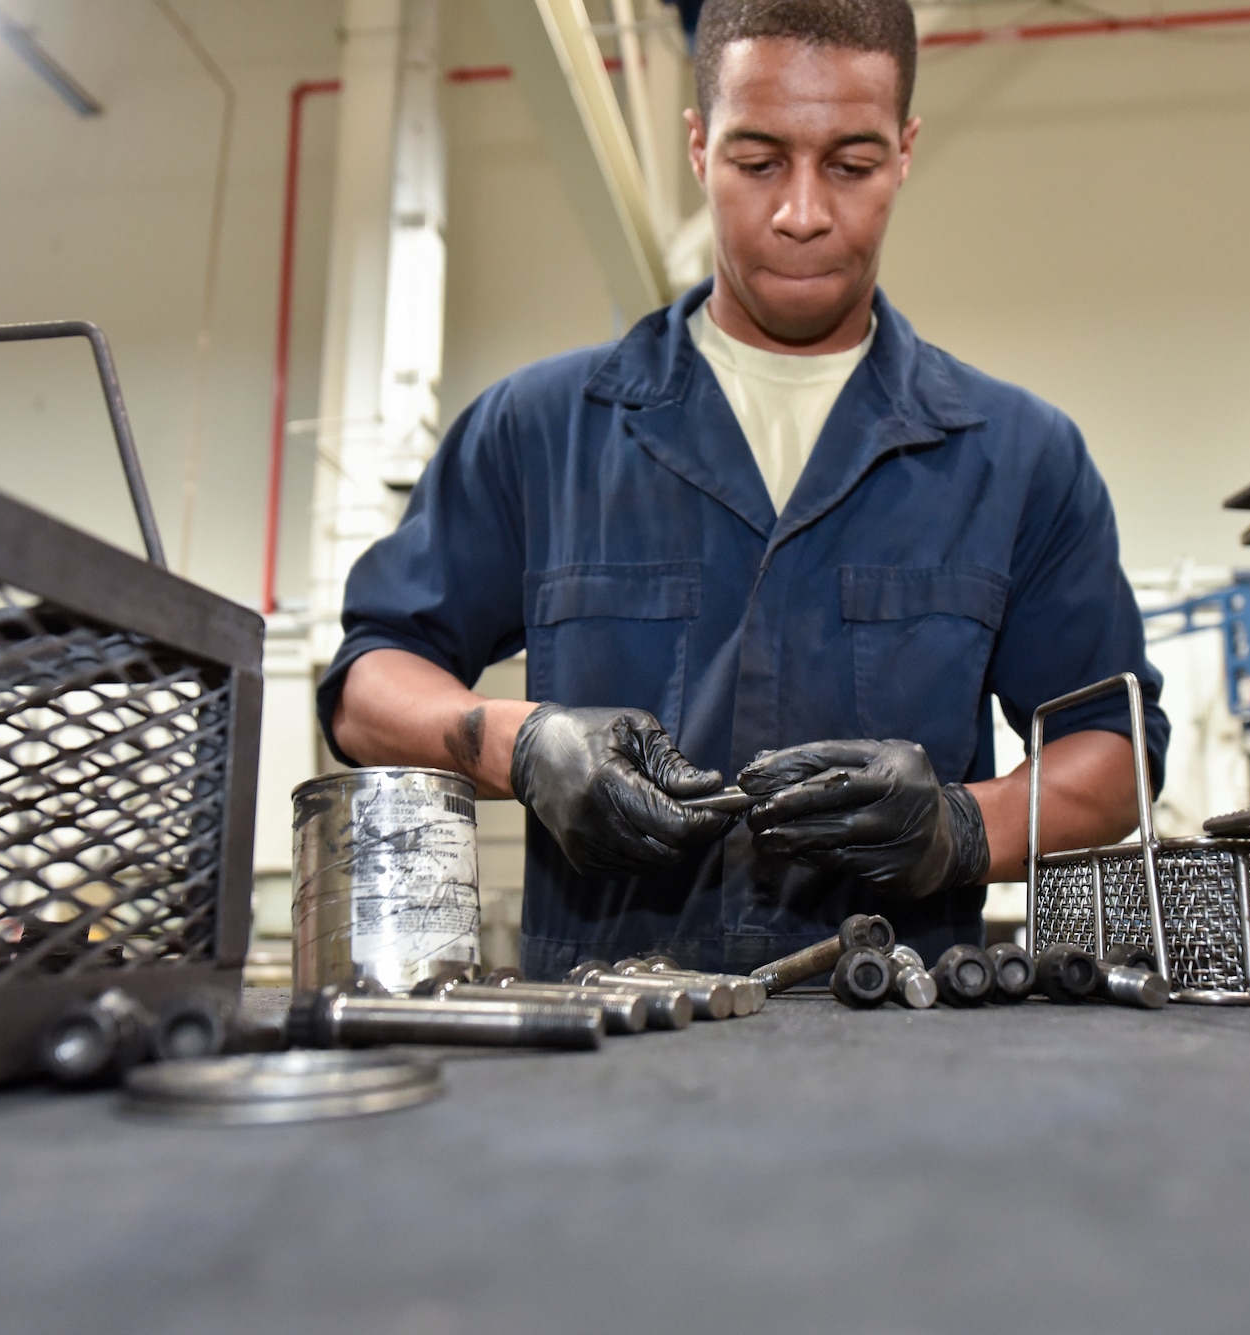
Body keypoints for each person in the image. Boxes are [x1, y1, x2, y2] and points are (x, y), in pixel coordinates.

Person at [320, 0, 1167, 979]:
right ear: (696, 145)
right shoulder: (538, 431)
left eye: (848, 165)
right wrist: (520, 742)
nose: (800, 212)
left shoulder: (1017, 457)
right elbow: (367, 683)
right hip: (610, 1047)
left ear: (903, 152)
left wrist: (960, 826)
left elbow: (1112, 754)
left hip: (902, 1043)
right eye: (756, 161)